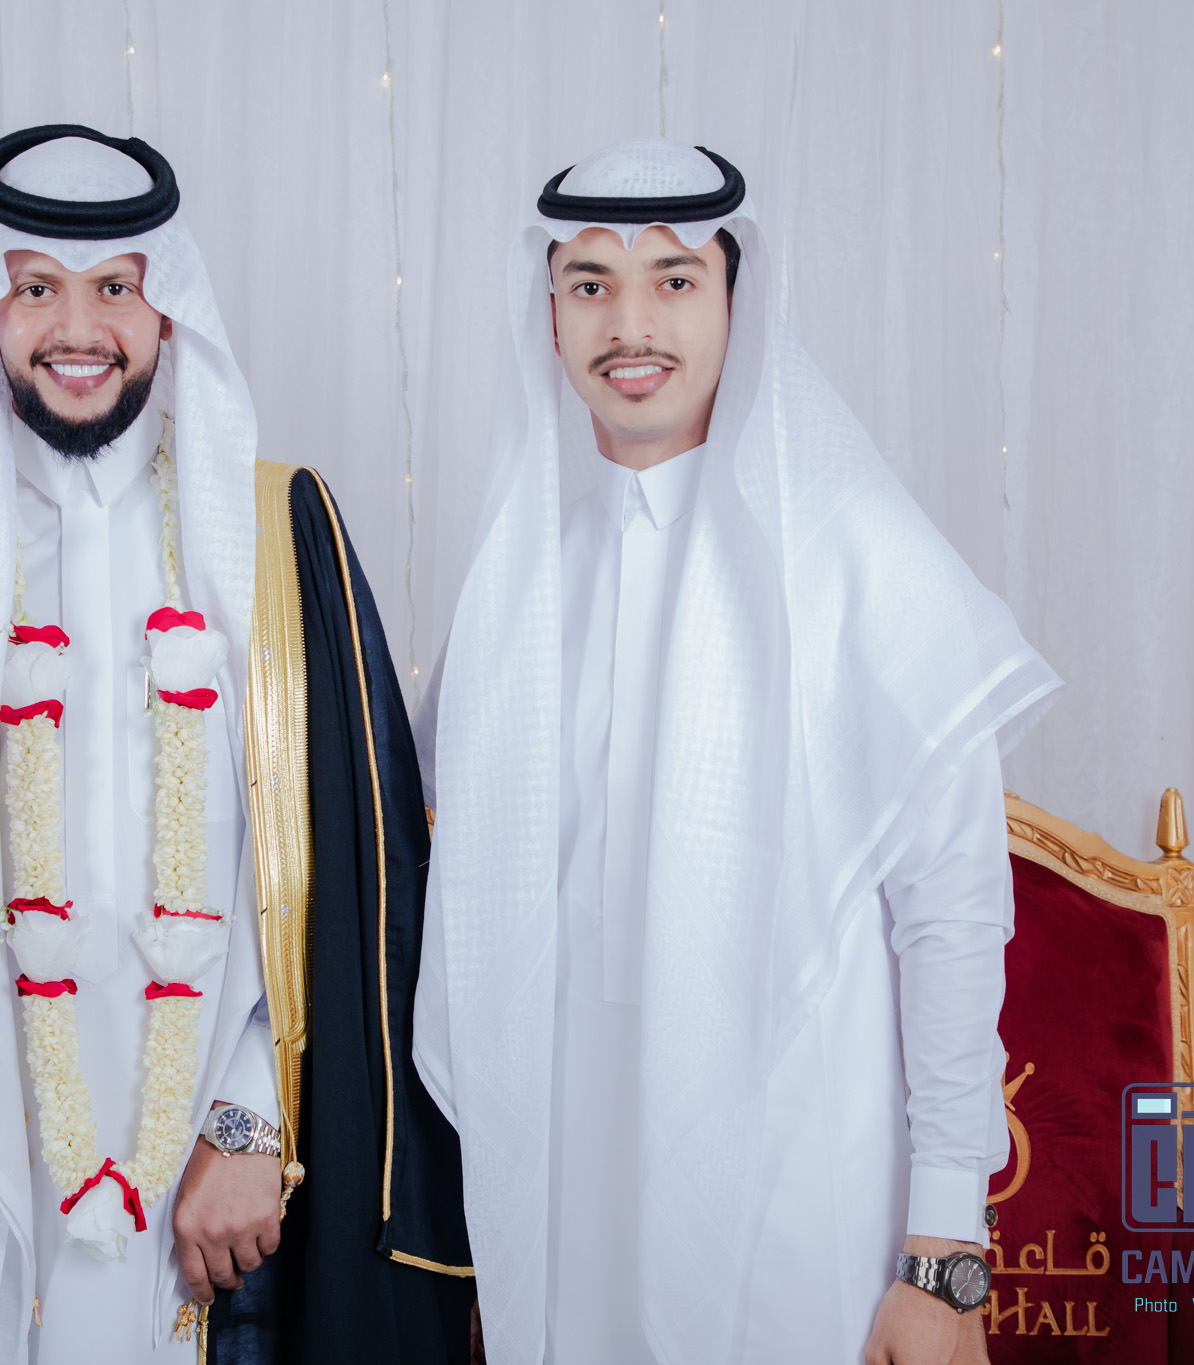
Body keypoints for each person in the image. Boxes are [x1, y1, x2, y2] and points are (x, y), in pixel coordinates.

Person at [0, 125, 474, 1365]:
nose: (78, 329)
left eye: (114, 288)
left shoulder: (278, 539)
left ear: (166, 311)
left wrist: (252, 1124)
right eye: (37, 289)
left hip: (219, 1185)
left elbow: (372, 881)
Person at [411, 137, 1062, 1364]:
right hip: (570, 1203)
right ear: (546, 315)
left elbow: (951, 918)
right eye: (590, 283)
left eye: (673, 279)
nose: (629, 325)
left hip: (801, 1203)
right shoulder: (519, 591)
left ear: (733, 301)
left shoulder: (860, 562)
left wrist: (942, 1258)